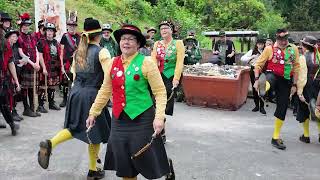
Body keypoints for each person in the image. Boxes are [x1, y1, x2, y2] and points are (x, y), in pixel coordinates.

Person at [87, 24, 175, 180]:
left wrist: (159, 117)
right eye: (123, 39)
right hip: (119, 120)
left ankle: (166, 168)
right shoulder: (112, 63)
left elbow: (160, 92)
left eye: (131, 39)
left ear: (138, 44)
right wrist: (93, 112)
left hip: (142, 117)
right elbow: (105, 90)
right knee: (125, 163)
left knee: (145, 156)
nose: (126, 42)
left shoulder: (146, 62)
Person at [37, 17, 111, 180]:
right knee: (95, 132)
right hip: (92, 95)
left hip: (75, 93)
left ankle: (51, 143)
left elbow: (74, 75)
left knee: (74, 127)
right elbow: (109, 76)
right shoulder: (102, 52)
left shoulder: (79, 52)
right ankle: (93, 170)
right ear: (98, 34)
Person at [254, 28, 300, 150]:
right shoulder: (269, 49)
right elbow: (258, 65)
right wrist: (257, 79)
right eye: (280, 40)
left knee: (283, 107)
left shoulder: (294, 49)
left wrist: (295, 85)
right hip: (272, 75)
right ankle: (263, 89)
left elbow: (296, 68)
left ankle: (275, 137)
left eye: (285, 39)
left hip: (286, 80)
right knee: (269, 78)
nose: (283, 42)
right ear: (276, 39)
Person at [151, 20, 185, 143]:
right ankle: (160, 131)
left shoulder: (178, 43)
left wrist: (176, 78)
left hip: (170, 77)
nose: (164, 30)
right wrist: (152, 76)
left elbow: (180, 62)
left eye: (166, 28)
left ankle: (161, 130)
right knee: (155, 103)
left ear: (171, 30)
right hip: (157, 76)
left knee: (164, 105)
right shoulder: (157, 44)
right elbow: (153, 60)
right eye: (161, 29)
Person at [296, 36, 320, 143]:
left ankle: (306, 136)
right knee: (318, 109)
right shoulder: (318, 56)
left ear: (305, 46)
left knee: (304, 110)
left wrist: (299, 92)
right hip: (318, 86)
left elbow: (301, 77)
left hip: (307, 86)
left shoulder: (302, 58)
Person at [18, 12, 41, 117]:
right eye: (25, 25)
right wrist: (32, 64)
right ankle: (26, 108)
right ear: (21, 26)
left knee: (32, 87)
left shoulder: (31, 36)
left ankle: (33, 107)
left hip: (33, 65)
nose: (26, 27)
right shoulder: (19, 37)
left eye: (27, 25)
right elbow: (21, 53)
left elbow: (36, 49)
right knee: (25, 88)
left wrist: (37, 62)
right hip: (25, 66)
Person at [0, 29, 21, 135]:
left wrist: (16, 80)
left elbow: (10, 63)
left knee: (3, 103)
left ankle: (12, 125)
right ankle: (12, 124)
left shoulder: (4, 43)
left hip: (1, 79)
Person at [37, 23, 61, 112]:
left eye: (51, 31)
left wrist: (60, 67)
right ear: (45, 32)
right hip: (45, 67)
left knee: (52, 86)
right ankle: (40, 105)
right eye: (47, 30)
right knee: (43, 86)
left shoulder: (56, 42)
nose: (49, 32)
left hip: (54, 67)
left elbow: (59, 55)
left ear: (54, 32)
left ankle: (51, 103)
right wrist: (43, 68)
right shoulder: (41, 42)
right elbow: (40, 56)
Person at [241, 38, 266, 114]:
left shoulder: (265, 51)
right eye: (259, 44)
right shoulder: (252, 51)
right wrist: (252, 57)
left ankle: (262, 107)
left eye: (262, 44)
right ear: (256, 44)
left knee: (262, 89)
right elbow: (243, 58)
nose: (260, 46)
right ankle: (256, 106)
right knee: (255, 88)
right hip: (253, 70)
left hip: (262, 71)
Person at [59, 19, 80, 107]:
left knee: (76, 81)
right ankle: (64, 99)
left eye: (73, 26)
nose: (72, 27)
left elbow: (80, 49)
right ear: (67, 27)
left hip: (76, 62)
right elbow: (61, 51)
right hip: (66, 62)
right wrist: (61, 66)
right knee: (65, 82)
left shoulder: (79, 36)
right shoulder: (65, 36)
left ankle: (74, 99)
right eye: (70, 26)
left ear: (75, 27)